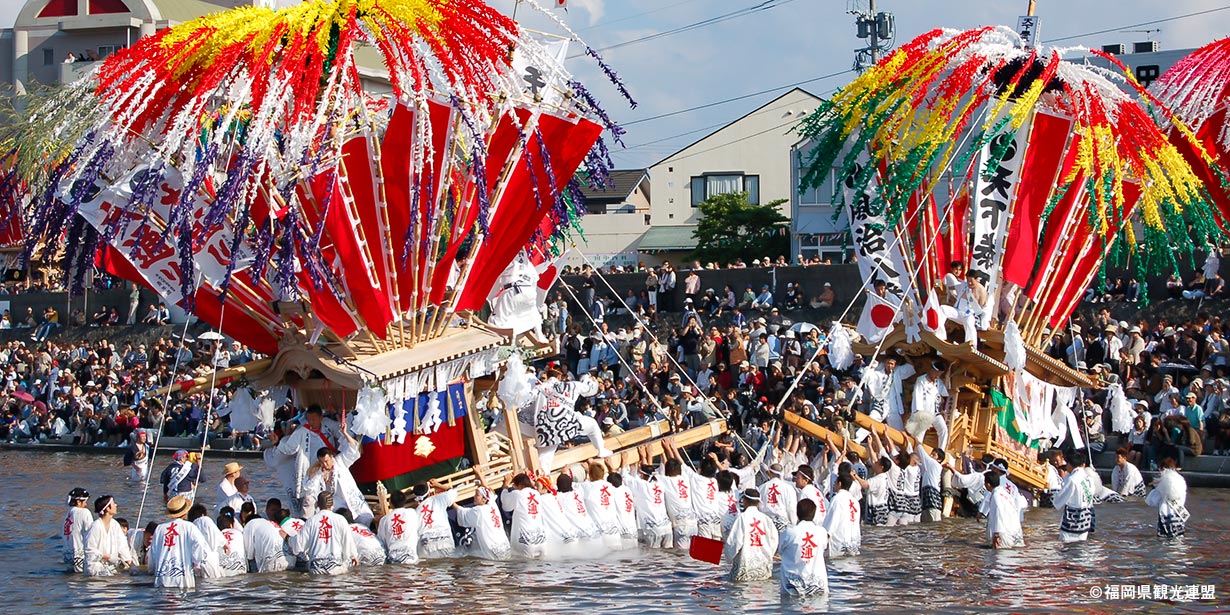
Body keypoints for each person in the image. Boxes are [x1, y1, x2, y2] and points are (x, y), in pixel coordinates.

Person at [264, 405, 342, 517]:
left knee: (332, 493)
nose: (311, 422)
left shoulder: (328, 425)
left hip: (328, 466)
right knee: (310, 497)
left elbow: (340, 432)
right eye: (309, 419)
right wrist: (277, 443)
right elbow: (290, 448)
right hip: (311, 469)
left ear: (321, 418)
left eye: (314, 419)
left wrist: (337, 416)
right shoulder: (302, 430)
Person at [532, 368, 610, 471]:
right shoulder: (571, 385)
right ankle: (601, 450)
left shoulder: (539, 388)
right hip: (567, 422)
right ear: (559, 377)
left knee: (545, 457)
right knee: (592, 425)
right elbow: (590, 390)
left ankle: (542, 476)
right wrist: (592, 380)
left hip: (544, 428)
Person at [300, 427, 373, 525]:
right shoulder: (317, 471)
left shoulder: (340, 461)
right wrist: (319, 474)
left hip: (351, 499)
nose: (325, 465)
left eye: (326, 461)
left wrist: (345, 433)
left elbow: (354, 450)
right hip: (335, 505)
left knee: (366, 519)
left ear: (331, 457)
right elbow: (308, 489)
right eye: (321, 462)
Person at [149, 495, 212, 589]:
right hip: (182, 579)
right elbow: (199, 544)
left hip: (162, 579)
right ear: (185, 513)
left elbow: (152, 553)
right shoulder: (189, 527)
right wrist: (197, 562)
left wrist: (152, 569)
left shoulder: (159, 529)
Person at [453, 469, 512, 560]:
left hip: (492, 549)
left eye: (477, 495)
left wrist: (448, 500)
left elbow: (461, 512)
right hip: (505, 546)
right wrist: (479, 474)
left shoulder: (479, 510)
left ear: (484, 499)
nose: (474, 497)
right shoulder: (492, 504)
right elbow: (488, 489)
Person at [723, 488, 779, 582]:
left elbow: (734, 542)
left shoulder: (742, 518)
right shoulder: (766, 519)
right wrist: (769, 554)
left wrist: (728, 557)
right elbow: (774, 541)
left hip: (745, 566)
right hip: (763, 566)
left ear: (744, 501)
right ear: (758, 502)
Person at [298, 492, 358, 575]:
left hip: (317, 569)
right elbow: (348, 541)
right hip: (336, 568)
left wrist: (288, 538)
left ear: (317, 504)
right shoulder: (340, 519)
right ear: (332, 503)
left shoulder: (311, 521)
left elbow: (298, 545)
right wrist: (353, 556)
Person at [779, 498, 829, 596]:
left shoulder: (789, 532)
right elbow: (825, 546)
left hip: (792, 588)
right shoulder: (822, 532)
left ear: (797, 513)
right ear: (814, 514)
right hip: (818, 587)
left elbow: (780, 550)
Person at [84, 495, 136, 576]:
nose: (116, 505)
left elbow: (122, 545)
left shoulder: (115, 524)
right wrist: (107, 556)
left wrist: (130, 563)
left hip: (110, 567)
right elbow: (90, 551)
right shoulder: (95, 527)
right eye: (113, 503)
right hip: (95, 568)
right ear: (107, 508)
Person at [501, 472, 549, 559]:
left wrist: (505, 485)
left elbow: (506, 505)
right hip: (541, 540)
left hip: (525, 541)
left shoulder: (518, 494)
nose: (514, 488)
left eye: (514, 486)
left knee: (523, 569)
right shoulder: (536, 493)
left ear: (520, 485)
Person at [1052, 454, 1097, 543]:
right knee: (1082, 549)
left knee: (1067, 549)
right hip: (1086, 519)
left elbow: (1058, 501)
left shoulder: (1072, 479)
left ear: (1069, 464)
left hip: (1073, 520)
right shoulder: (1088, 479)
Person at [1146, 457, 1189, 538]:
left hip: (1165, 516)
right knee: (1178, 539)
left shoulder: (1163, 482)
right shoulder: (1181, 480)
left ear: (1163, 469)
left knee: (1163, 540)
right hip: (1178, 515)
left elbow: (1151, 501)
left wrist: (1155, 487)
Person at [981, 472, 1026, 549]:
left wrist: (996, 535)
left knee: (999, 557)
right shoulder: (1004, 494)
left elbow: (998, 514)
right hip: (1014, 533)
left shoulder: (996, 496)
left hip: (1004, 535)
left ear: (988, 484)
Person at [415, 479, 457, 558]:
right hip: (444, 541)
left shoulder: (416, 512)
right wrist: (438, 485)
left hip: (426, 545)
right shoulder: (438, 499)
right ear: (429, 491)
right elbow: (453, 492)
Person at [378, 490, 422, 564]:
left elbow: (382, 542)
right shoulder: (412, 513)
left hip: (394, 561)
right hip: (411, 559)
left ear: (390, 503)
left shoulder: (384, 520)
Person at [758, 463, 798, 531]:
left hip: (765, 523)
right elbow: (791, 509)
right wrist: (793, 524)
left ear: (769, 473)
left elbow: (759, 507)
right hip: (782, 524)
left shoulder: (761, 488)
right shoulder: (788, 488)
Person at [62, 487, 94, 573]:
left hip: (67, 555)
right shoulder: (84, 512)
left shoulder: (68, 513)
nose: (86, 505)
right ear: (78, 502)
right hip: (80, 555)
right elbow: (91, 533)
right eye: (85, 502)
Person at [215, 509, 247, 577]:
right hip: (240, 572)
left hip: (221, 575)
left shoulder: (215, 536)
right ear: (231, 525)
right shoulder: (239, 534)